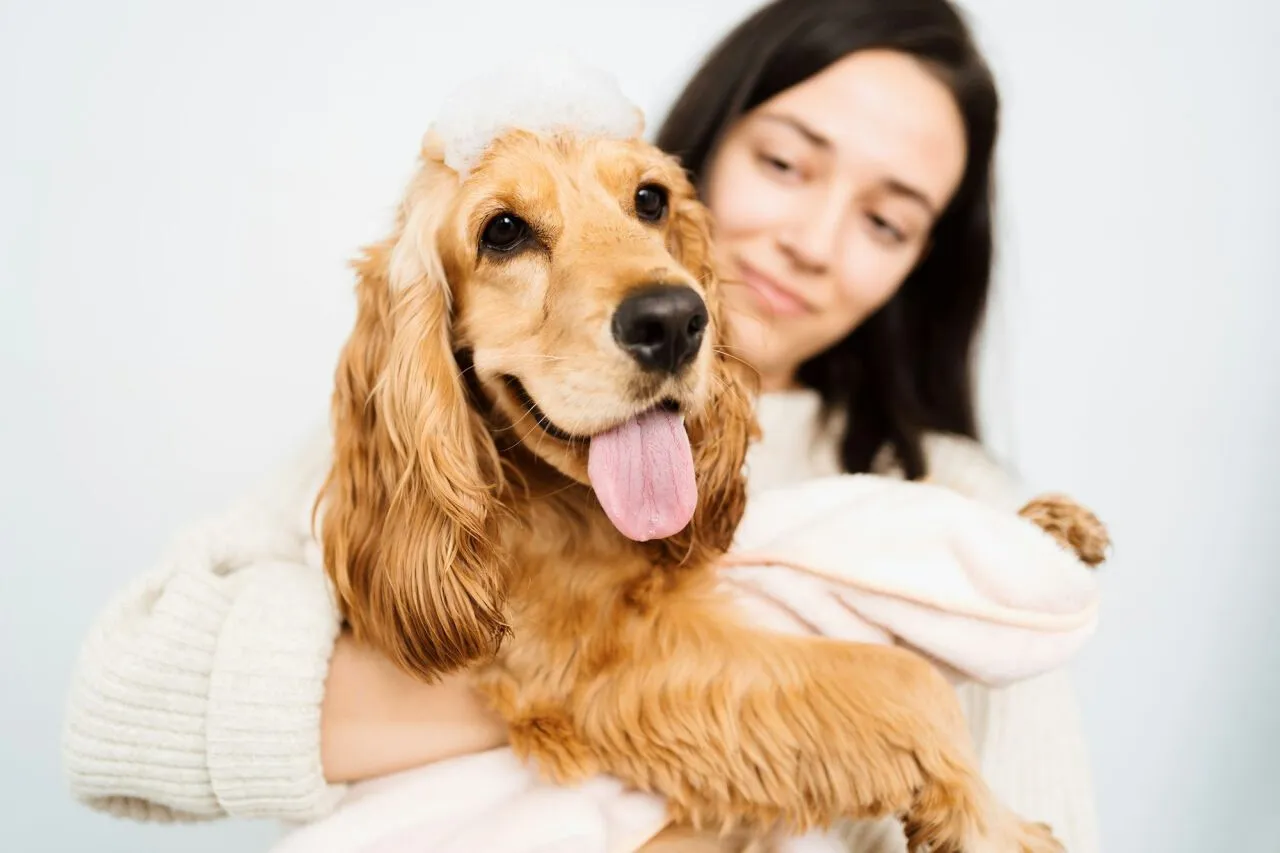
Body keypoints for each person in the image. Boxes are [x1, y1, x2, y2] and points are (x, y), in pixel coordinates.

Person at [61, 0, 1101, 850]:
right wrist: (577, 680)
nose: (812, 241)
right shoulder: (424, 419)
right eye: (784, 164)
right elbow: (115, 714)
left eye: (885, 220)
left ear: (921, 263)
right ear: (719, 132)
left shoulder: (968, 502)